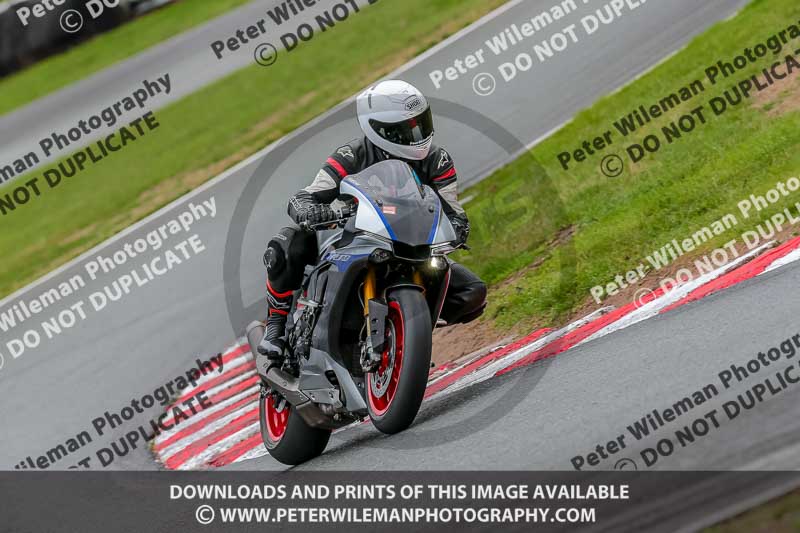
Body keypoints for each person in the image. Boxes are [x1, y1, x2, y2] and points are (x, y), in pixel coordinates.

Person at [258, 79, 487, 361]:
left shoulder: (437, 160)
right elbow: (306, 196)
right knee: (286, 243)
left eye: (420, 123)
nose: (416, 135)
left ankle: (407, 333)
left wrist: (458, 229)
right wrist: (313, 211)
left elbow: (452, 209)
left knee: (472, 293)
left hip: (411, 244)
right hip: (358, 238)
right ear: (379, 130)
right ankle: (276, 327)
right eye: (405, 130)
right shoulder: (352, 154)